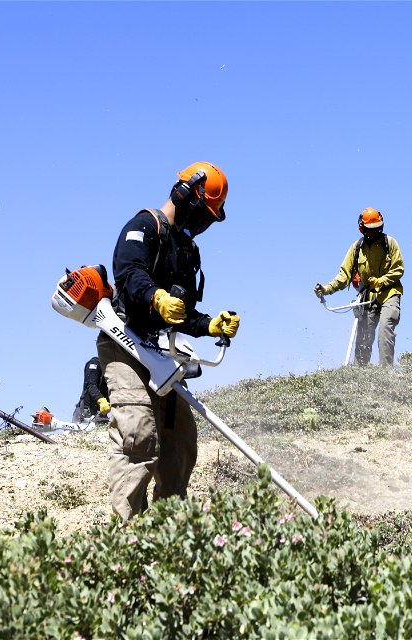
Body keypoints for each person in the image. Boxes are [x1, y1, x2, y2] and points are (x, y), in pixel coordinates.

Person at [98, 161, 240, 521]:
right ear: (187, 195)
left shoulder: (187, 250)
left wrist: (209, 325)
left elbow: (183, 313)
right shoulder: (144, 226)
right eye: (205, 213)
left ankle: (167, 534)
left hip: (160, 350)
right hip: (124, 342)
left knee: (180, 444)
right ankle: (129, 536)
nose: (205, 223)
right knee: (139, 435)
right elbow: (129, 273)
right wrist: (154, 296)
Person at [314, 208, 404, 365]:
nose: (374, 232)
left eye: (377, 228)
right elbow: (344, 276)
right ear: (362, 228)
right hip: (367, 298)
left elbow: (398, 269)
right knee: (363, 337)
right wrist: (327, 289)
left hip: (389, 293)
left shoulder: (390, 243)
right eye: (371, 229)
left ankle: (386, 374)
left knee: (385, 330)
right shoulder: (356, 248)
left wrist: (381, 281)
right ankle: (360, 375)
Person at [71, 356, 111, 424]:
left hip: (101, 413)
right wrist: (101, 400)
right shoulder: (95, 363)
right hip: (85, 412)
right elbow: (90, 385)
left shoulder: (113, 370)